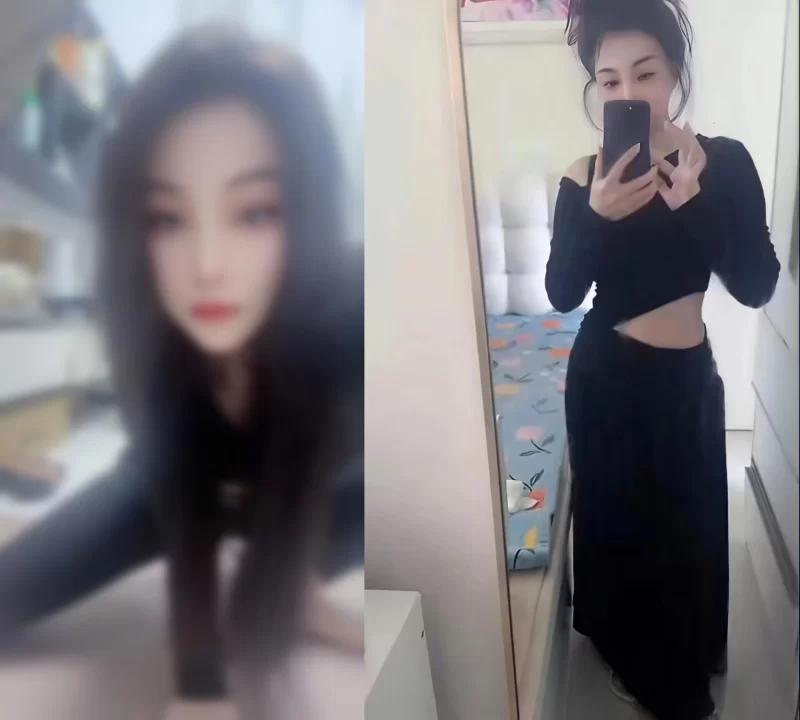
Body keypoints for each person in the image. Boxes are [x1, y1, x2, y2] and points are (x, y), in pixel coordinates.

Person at [0, 24, 364, 720]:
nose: (208, 265)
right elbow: (187, 509)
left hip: (310, 495)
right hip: (165, 483)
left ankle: (296, 588)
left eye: (254, 213)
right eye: (167, 219)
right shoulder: (158, 338)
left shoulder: (353, 314)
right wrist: (200, 687)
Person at [545, 0, 780, 718]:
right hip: (608, 379)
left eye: (644, 74)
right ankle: (648, 669)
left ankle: (686, 651)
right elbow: (561, 293)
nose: (628, 93)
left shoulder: (725, 163)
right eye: (609, 81)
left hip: (687, 379)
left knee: (692, 530)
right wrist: (596, 216)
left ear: (675, 73)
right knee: (626, 533)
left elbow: (757, 284)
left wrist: (697, 204)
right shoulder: (584, 176)